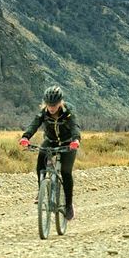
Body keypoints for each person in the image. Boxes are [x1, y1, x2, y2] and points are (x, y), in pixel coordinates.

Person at [19, 85, 81, 220]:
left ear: (60, 102)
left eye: (54, 104)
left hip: (68, 143)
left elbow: (74, 127)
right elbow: (34, 124)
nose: (51, 108)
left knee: (65, 172)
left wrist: (76, 140)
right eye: (49, 104)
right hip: (51, 141)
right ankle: (41, 190)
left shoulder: (68, 112)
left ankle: (69, 205)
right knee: (41, 160)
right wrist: (25, 137)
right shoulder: (43, 112)